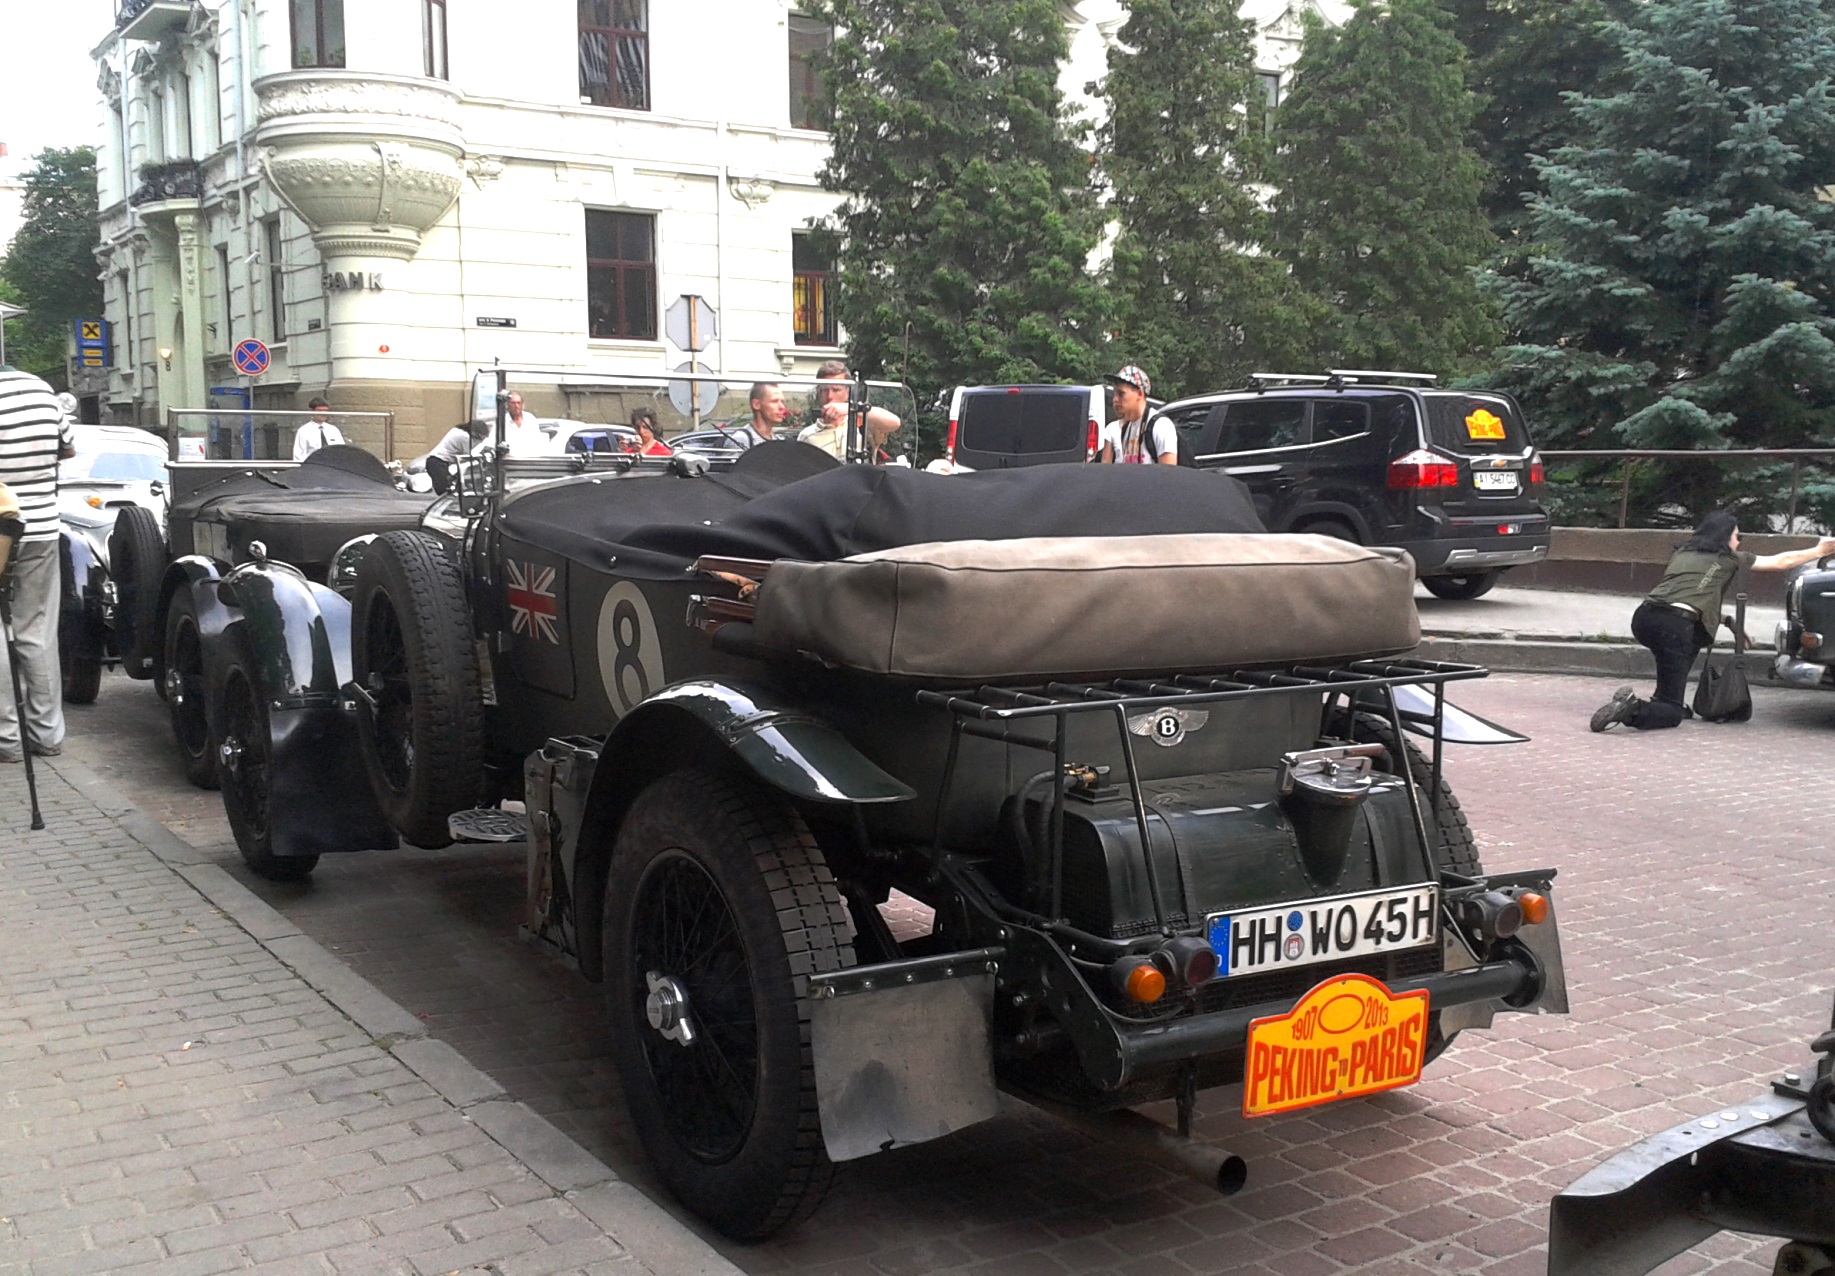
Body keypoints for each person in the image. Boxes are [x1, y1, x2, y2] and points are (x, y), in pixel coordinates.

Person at [1592, 511, 1835, 731]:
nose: (1739, 542)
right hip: (1673, 626)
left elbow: (1691, 596)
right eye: (1737, 537)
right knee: (1672, 713)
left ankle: (1665, 697)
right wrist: (1820, 551)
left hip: (1645, 618)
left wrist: (1729, 622)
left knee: (1693, 638)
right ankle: (1633, 710)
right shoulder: (1730, 559)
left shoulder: (1683, 552)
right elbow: (1781, 562)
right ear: (1725, 537)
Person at [0, 367, 75, 761]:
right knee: (37, 628)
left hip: (0, 524)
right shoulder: (40, 389)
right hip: (41, 527)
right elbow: (68, 449)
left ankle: (6, 739)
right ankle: (46, 734)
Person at [797, 360, 902, 460]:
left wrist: (851, 409)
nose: (829, 396)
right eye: (824, 390)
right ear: (818, 393)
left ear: (847, 392)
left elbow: (895, 423)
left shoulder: (862, 424)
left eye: (836, 390)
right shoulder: (807, 436)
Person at [1099, 365, 1177, 465]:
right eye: (1114, 394)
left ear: (1140, 394)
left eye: (1121, 394)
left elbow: (1169, 476)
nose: (1115, 399)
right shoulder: (1126, 428)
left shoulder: (1161, 426)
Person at [421, 419, 488, 493]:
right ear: (475, 433)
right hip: (438, 463)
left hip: (436, 462)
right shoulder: (465, 437)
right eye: (480, 439)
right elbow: (466, 457)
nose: (480, 442)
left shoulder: (457, 430)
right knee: (444, 490)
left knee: (448, 487)